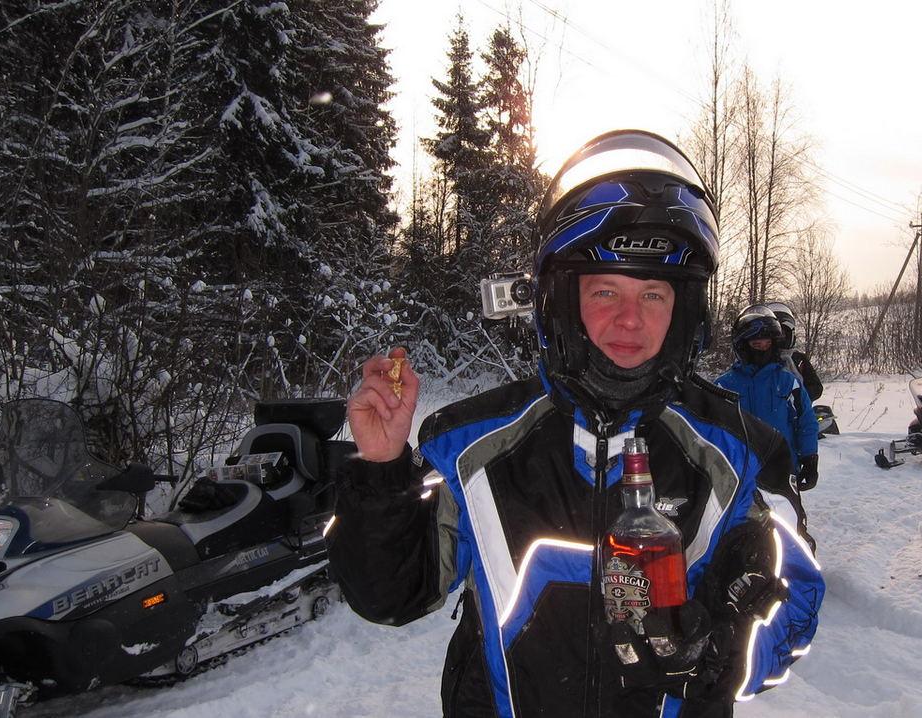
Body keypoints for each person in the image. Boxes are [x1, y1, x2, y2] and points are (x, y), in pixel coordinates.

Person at [325, 130, 824, 718]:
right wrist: (382, 469)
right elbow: (389, 596)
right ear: (559, 301)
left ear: (684, 310)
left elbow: (793, 600)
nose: (630, 320)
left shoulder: (739, 453)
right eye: (606, 291)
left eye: (654, 295)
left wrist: (722, 650)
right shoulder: (469, 446)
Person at [714, 305, 821, 492]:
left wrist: (809, 457)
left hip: (782, 469)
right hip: (738, 473)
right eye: (757, 345)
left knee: (786, 512)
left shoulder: (788, 382)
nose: (763, 349)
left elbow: (806, 421)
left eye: (767, 344)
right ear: (743, 345)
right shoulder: (723, 386)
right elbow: (711, 430)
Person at [766, 301, 823, 401]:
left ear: (789, 335)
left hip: (796, 408)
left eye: (782, 333)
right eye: (776, 334)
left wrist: (798, 395)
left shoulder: (798, 359)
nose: (779, 337)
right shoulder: (760, 357)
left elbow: (816, 387)